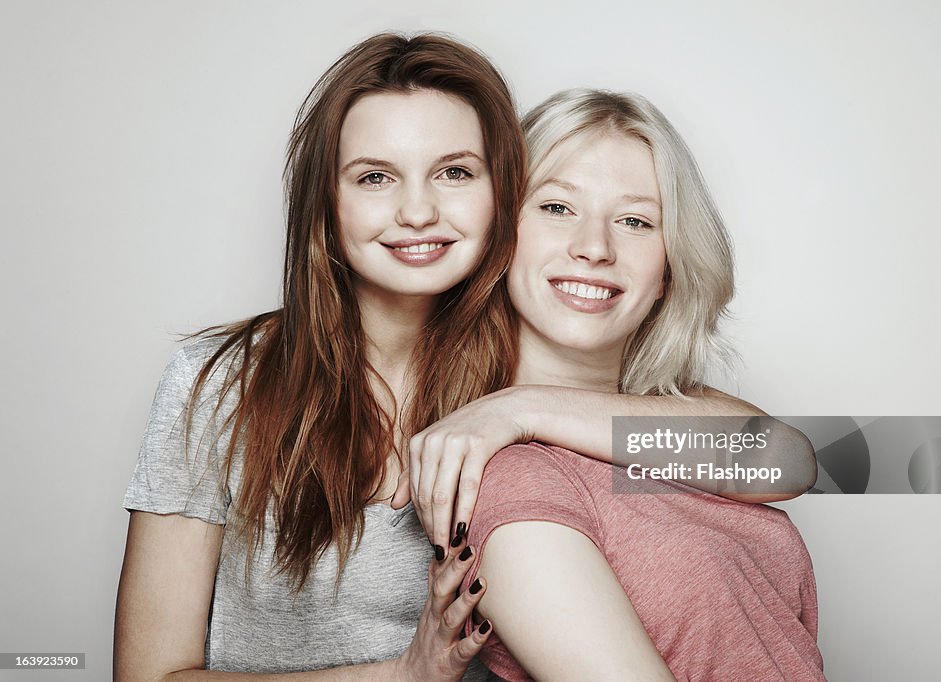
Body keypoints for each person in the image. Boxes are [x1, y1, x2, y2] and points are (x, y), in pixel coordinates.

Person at [114, 33, 525, 679]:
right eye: (374, 177)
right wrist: (401, 675)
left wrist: (534, 404)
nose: (417, 210)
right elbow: (148, 674)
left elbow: (746, 461)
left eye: (455, 171)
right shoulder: (218, 384)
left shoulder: (542, 373)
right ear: (325, 205)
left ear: (501, 190)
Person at [454, 90, 827, 681]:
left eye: (635, 221)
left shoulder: (666, 419)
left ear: (667, 270)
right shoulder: (511, 476)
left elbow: (790, 463)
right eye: (556, 207)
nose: (595, 248)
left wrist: (524, 405)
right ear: (500, 236)